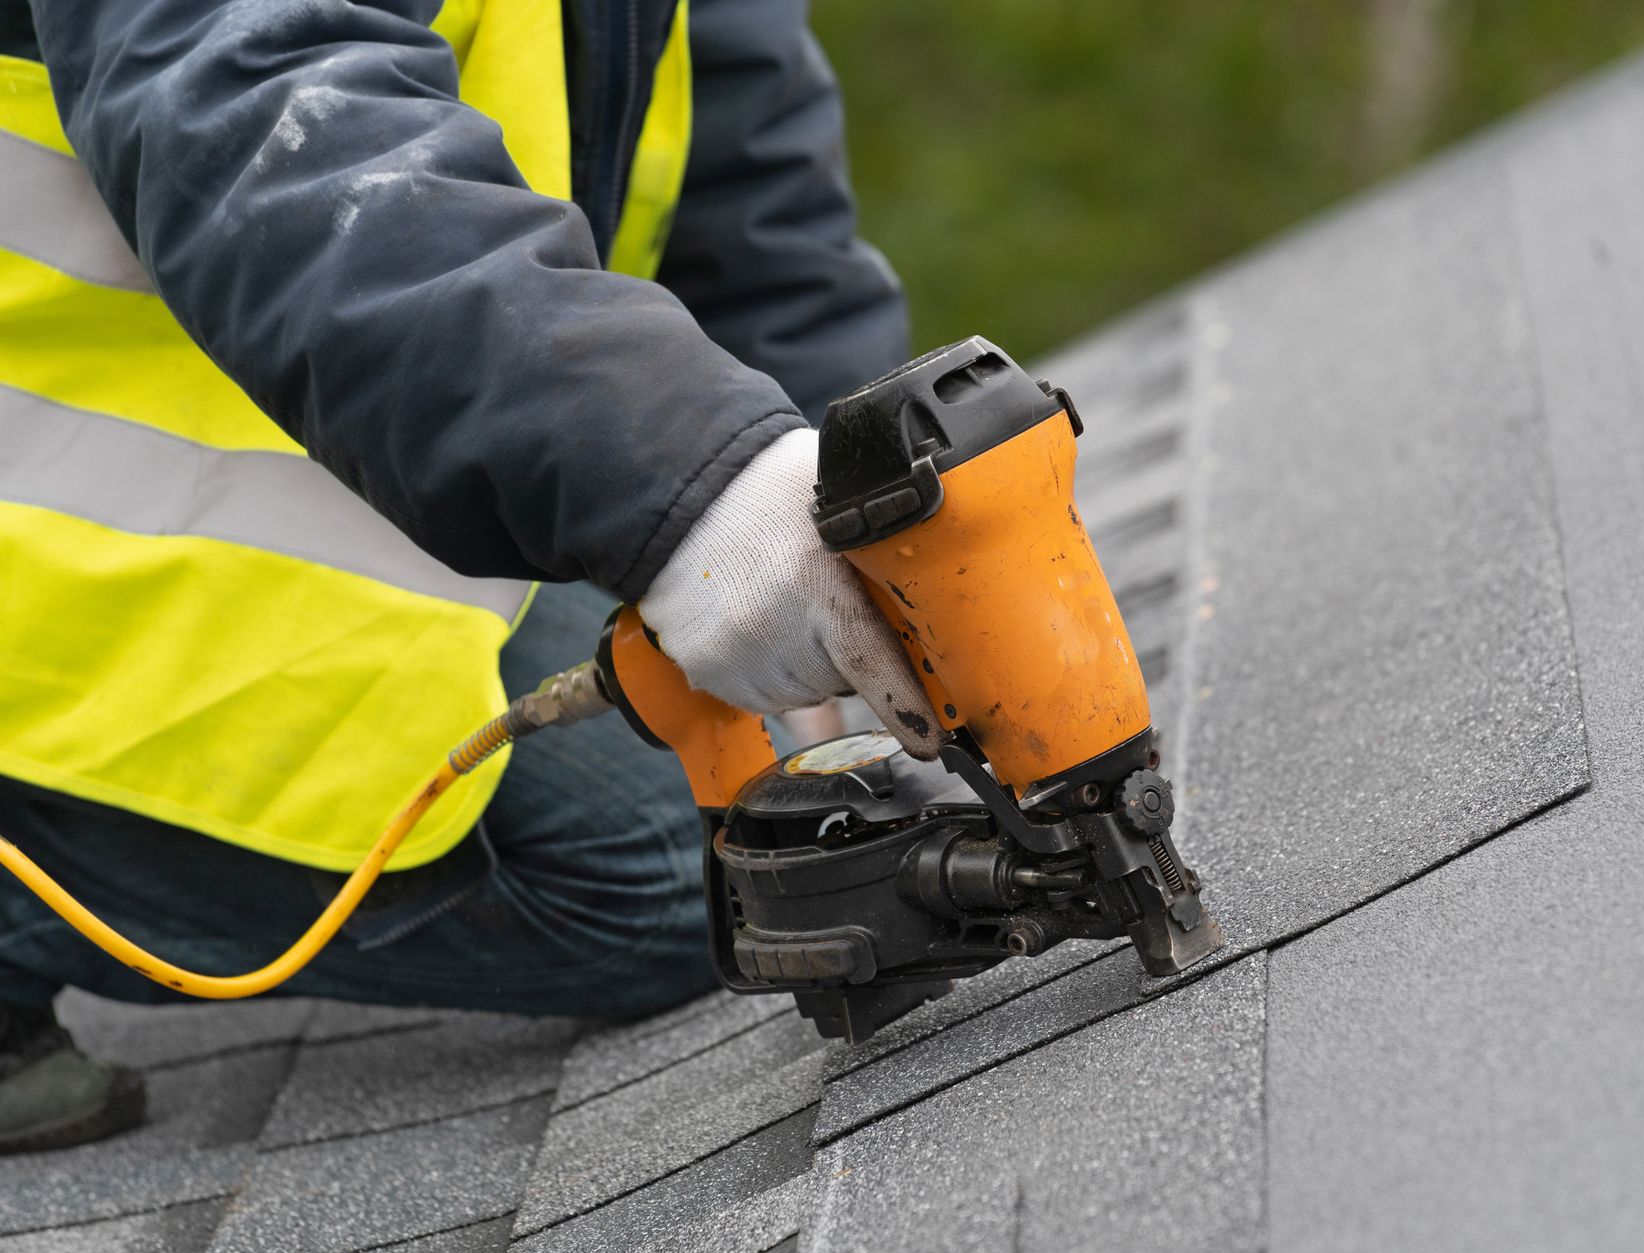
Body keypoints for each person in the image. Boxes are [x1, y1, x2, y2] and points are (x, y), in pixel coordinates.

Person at [0, 0, 943, 1153]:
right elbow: (274, 113)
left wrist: (827, 515)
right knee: (665, 874)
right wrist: (679, 480)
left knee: (769, 796)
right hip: (44, 559)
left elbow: (749, 175)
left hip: (303, 446)